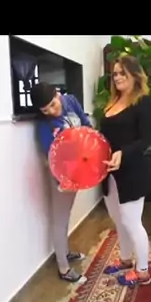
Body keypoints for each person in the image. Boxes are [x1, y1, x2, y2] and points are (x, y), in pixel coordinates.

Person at [100, 55, 151, 288]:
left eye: (122, 73)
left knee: (132, 222)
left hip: (132, 173)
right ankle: (125, 259)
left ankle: (142, 271)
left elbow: (146, 140)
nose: (118, 77)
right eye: (115, 73)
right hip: (108, 173)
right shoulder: (112, 102)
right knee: (119, 221)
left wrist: (123, 153)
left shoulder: (143, 103)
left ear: (135, 74)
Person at [30, 82, 92, 284]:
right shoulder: (44, 125)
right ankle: (64, 269)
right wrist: (62, 181)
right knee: (60, 219)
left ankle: (65, 252)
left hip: (78, 171)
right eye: (45, 110)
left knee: (67, 215)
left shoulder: (71, 101)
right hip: (61, 176)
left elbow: (86, 124)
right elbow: (51, 157)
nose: (50, 111)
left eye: (52, 105)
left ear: (58, 94)